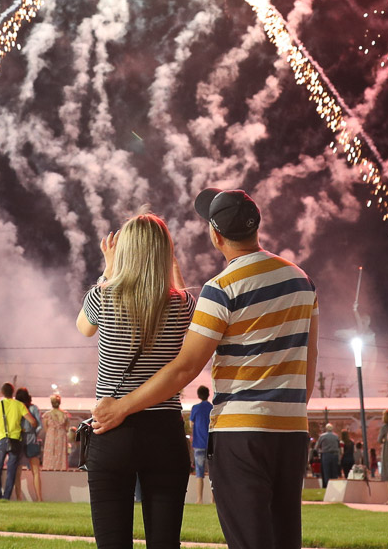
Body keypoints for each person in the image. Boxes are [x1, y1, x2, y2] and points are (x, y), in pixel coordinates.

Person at [91, 189, 318, 549]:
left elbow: (185, 368)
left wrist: (120, 406)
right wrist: (292, 410)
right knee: (284, 536)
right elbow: (310, 356)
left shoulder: (222, 288)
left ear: (215, 235)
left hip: (241, 432)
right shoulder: (301, 279)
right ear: (256, 225)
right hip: (291, 431)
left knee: (249, 538)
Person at [72, 213, 194, 548]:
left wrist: (109, 269)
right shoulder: (182, 304)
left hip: (112, 433)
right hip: (165, 432)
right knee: (165, 542)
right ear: (165, 254)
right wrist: (171, 264)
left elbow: (84, 327)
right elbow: (186, 306)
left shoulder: (103, 296)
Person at [0, 384, 34, 499]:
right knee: (11, 470)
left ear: (2, 392)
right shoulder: (19, 405)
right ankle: (6, 496)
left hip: (1, 439)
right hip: (15, 440)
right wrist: (24, 429)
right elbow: (33, 421)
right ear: (13, 392)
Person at [16, 387, 44, 500]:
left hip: (18, 439)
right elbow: (40, 425)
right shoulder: (33, 408)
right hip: (31, 439)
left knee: (17, 471)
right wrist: (34, 434)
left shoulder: (16, 408)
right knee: (36, 471)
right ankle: (39, 498)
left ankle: (18, 498)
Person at [189, 386, 213, 503]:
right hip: (211, 444)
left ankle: (199, 499)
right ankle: (213, 499)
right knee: (213, 472)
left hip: (199, 443)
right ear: (208, 394)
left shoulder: (195, 408)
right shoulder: (212, 408)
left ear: (199, 395)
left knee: (199, 472)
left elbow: (190, 423)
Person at [40, 396, 71, 471]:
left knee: (50, 452)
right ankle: (61, 467)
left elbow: (45, 427)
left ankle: (49, 467)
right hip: (61, 434)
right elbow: (67, 428)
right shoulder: (65, 414)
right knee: (61, 452)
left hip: (51, 434)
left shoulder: (47, 415)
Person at [316, 424, 340, 489]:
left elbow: (317, 447)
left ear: (326, 429)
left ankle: (327, 485)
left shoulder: (322, 436)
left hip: (325, 454)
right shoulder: (336, 436)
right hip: (335, 455)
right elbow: (338, 446)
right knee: (334, 471)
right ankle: (334, 485)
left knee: (326, 471)